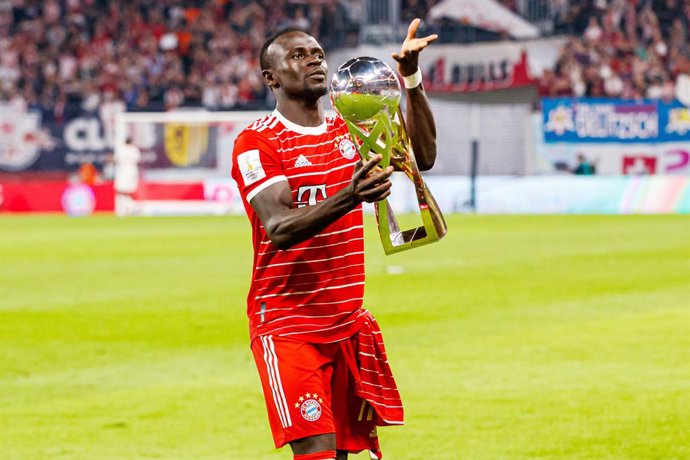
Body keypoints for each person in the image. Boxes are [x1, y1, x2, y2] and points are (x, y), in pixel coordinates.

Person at [230, 19, 438, 460]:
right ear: (271, 77)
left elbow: (423, 157)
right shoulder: (257, 142)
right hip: (289, 326)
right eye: (298, 56)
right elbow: (279, 228)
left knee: (342, 454)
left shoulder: (353, 125)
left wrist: (412, 80)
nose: (313, 61)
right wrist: (349, 196)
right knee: (318, 454)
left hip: (345, 323)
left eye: (318, 54)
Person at [114, 137, 142, 216]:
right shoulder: (134, 149)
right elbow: (138, 159)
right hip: (132, 170)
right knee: (128, 191)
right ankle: (130, 207)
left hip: (123, 170)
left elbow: (116, 159)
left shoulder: (121, 148)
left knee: (121, 190)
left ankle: (126, 208)